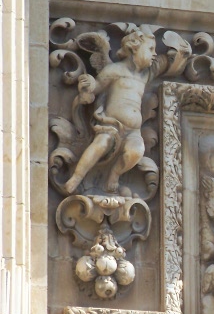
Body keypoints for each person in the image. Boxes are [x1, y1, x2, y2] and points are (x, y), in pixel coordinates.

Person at [64, 29, 156, 193]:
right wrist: (88, 84)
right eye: (150, 49)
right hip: (112, 125)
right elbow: (97, 87)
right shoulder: (114, 70)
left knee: (136, 152)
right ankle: (76, 177)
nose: (154, 54)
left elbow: (162, 63)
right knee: (100, 144)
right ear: (134, 47)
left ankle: (115, 173)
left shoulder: (145, 75)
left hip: (134, 132)